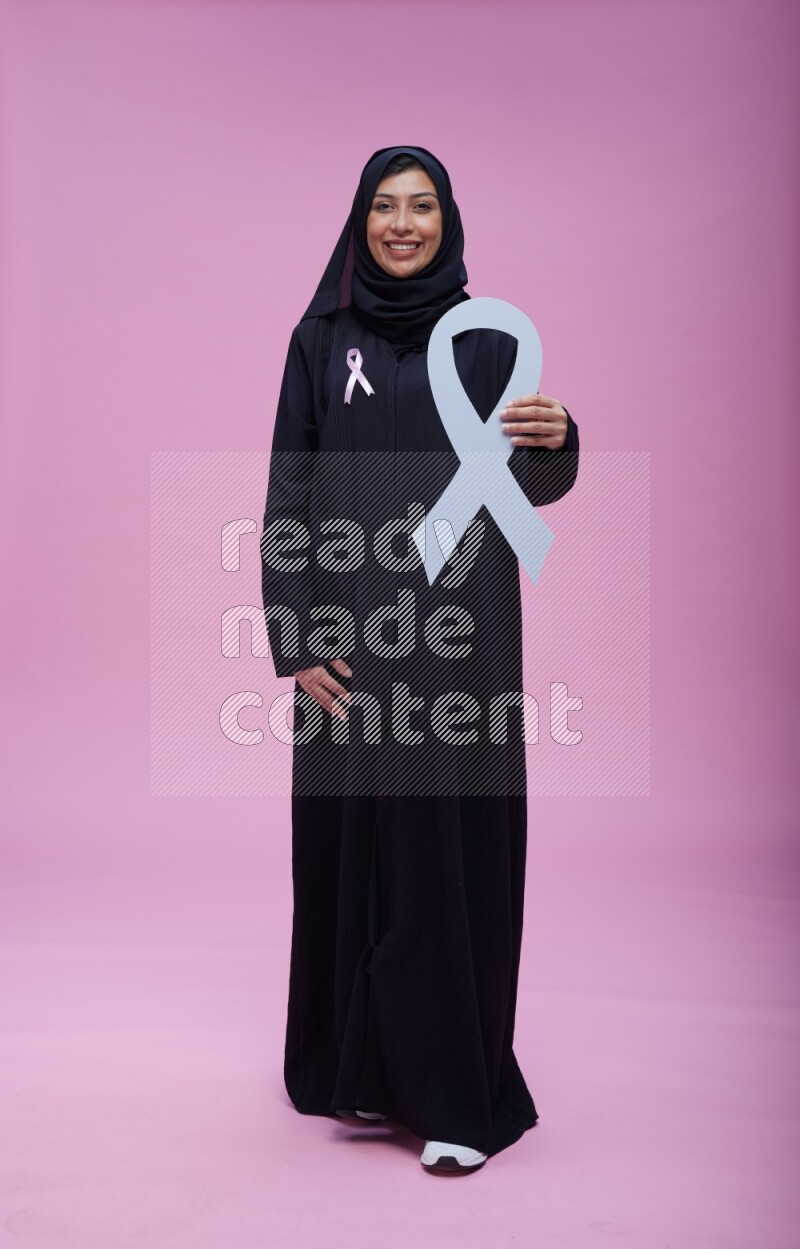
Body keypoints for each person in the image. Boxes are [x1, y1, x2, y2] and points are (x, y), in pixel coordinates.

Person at [261, 145, 579, 1174]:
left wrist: (560, 435)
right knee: (350, 855)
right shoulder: (320, 342)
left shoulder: (483, 343)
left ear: (448, 221)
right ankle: (349, 1067)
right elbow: (289, 495)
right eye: (385, 207)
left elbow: (527, 484)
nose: (403, 224)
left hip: (458, 651)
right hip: (349, 654)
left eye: (422, 207)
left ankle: (453, 1095)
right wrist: (295, 636)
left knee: (445, 861)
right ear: (360, 221)